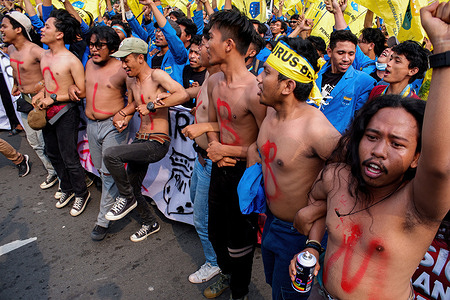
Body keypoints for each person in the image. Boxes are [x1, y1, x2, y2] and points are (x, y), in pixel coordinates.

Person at [289, 2, 450, 299]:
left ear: (417, 157)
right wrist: (313, 243)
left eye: (397, 143)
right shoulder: (338, 176)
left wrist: (443, 46)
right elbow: (319, 203)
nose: (379, 150)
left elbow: (440, 167)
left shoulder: (418, 205)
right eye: (372, 136)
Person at [254, 37, 340, 300]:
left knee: (288, 296)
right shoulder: (270, 112)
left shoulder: (316, 129)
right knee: (275, 287)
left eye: (267, 72)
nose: (258, 77)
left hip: (298, 233)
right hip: (271, 222)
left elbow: (352, 180)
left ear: (287, 86)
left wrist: (317, 213)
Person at [204, 10, 267, 300]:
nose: (206, 45)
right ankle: (227, 276)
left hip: (246, 174)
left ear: (229, 45)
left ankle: (239, 293)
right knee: (215, 232)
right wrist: (214, 146)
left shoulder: (255, 91)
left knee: (240, 242)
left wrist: (225, 150)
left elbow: (268, 146)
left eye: (211, 38)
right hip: (219, 168)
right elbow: (215, 122)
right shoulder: (216, 81)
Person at [103, 37, 188, 242]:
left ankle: (126, 198)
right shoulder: (132, 81)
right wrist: (124, 115)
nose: (123, 65)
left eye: (126, 60)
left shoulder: (157, 75)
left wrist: (153, 106)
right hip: (141, 139)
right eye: (121, 61)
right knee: (133, 185)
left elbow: (182, 94)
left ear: (140, 58)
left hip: (157, 143)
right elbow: (134, 105)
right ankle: (149, 222)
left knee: (110, 154)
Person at [69, 26, 128, 241]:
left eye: (99, 45)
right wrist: (72, 90)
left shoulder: (122, 68)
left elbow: (135, 96)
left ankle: (102, 221)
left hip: (113, 126)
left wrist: (126, 116)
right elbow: (85, 90)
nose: (94, 49)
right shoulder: (88, 64)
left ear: (111, 47)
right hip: (91, 126)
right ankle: (125, 194)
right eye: (91, 45)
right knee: (102, 170)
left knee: (107, 173)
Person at [34, 9, 90, 216]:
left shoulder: (71, 60)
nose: (42, 29)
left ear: (59, 34)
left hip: (66, 113)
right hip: (47, 111)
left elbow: (82, 91)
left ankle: (81, 193)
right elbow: (48, 83)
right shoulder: (44, 55)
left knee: (69, 157)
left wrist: (54, 98)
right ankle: (66, 187)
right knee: (52, 153)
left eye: (47, 26)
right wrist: (41, 93)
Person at [182, 26, 222, 284]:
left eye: (206, 45)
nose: (198, 52)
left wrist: (206, 129)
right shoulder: (209, 75)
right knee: (201, 213)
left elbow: (236, 125)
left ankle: (214, 263)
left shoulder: (225, 81)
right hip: (201, 158)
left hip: (210, 160)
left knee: (202, 218)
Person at [0, 11, 57, 189]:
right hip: (24, 102)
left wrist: (40, 86)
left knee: (49, 144)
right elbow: (17, 70)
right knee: (35, 143)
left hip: (40, 103)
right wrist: (16, 84)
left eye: (4, 26)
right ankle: (52, 173)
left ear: (18, 29)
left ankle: (66, 181)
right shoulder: (10, 49)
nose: (1, 30)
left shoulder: (36, 51)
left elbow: (55, 70)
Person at [315, 29, 376, 133]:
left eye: (351, 54)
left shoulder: (364, 82)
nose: (346, 59)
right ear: (329, 52)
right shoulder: (315, 75)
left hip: (336, 144)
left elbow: (358, 123)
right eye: (341, 53)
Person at [182, 34, 207, 108]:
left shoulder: (209, 74)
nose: (192, 56)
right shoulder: (186, 69)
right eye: (191, 52)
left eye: (196, 53)